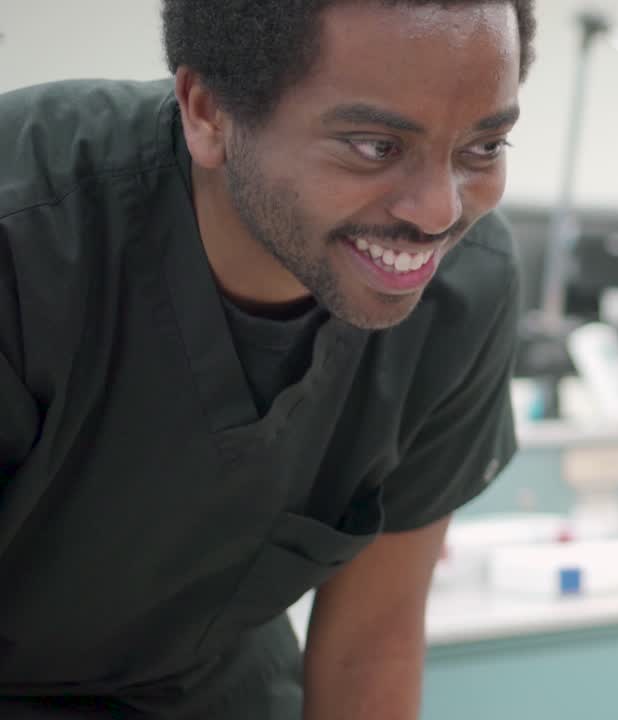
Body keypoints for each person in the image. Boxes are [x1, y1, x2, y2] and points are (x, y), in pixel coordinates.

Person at [0, 0, 535, 717]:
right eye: (375, 146)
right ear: (208, 111)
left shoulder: (463, 290)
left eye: (483, 148)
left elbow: (370, 644)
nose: (438, 213)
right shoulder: (28, 239)